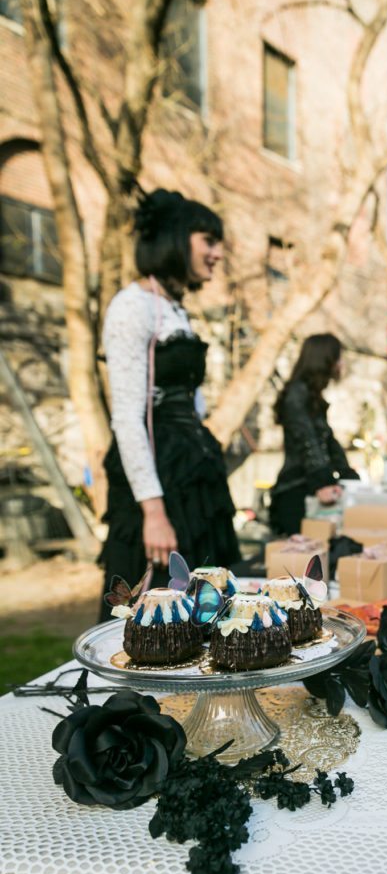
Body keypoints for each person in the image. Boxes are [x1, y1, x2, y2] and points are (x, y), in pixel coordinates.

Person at [99, 188, 240, 619]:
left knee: (205, 603)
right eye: (208, 241)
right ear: (179, 238)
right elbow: (126, 415)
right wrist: (153, 511)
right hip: (157, 482)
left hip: (195, 478)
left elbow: (190, 403)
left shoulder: (175, 310)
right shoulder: (131, 306)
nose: (217, 254)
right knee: (151, 609)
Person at [270, 332, 359, 535]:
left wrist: (347, 474)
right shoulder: (297, 394)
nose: (341, 363)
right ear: (325, 359)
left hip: (310, 488)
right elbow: (306, 440)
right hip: (296, 493)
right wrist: (323, 481)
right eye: (338, 357)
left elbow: (327, 440)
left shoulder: (311, 395)